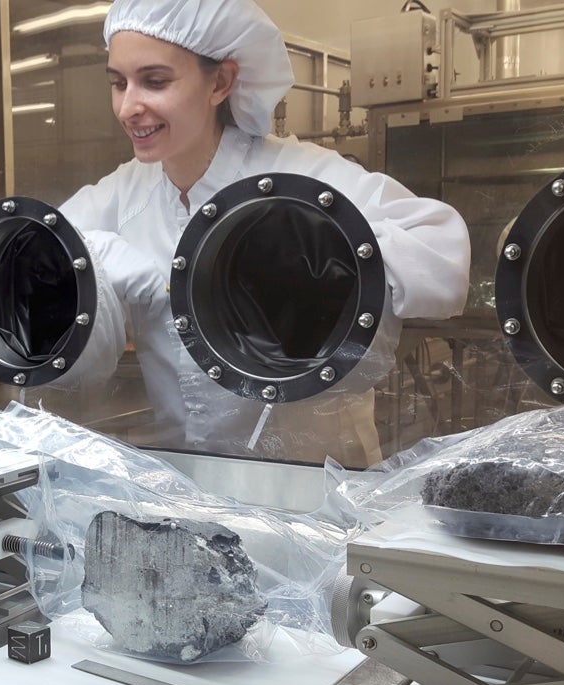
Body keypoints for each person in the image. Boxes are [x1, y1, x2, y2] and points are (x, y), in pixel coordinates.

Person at [60, 0, 471, 465]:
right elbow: (37, 257)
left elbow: (443, 260)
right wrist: (91, 260)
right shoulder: (123, 195)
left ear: (220, 82)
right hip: (188, 482)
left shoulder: (297, 174)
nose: (129, 106)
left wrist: (296, 258)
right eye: (118, 83)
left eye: (155, 81)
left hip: (319, 486)